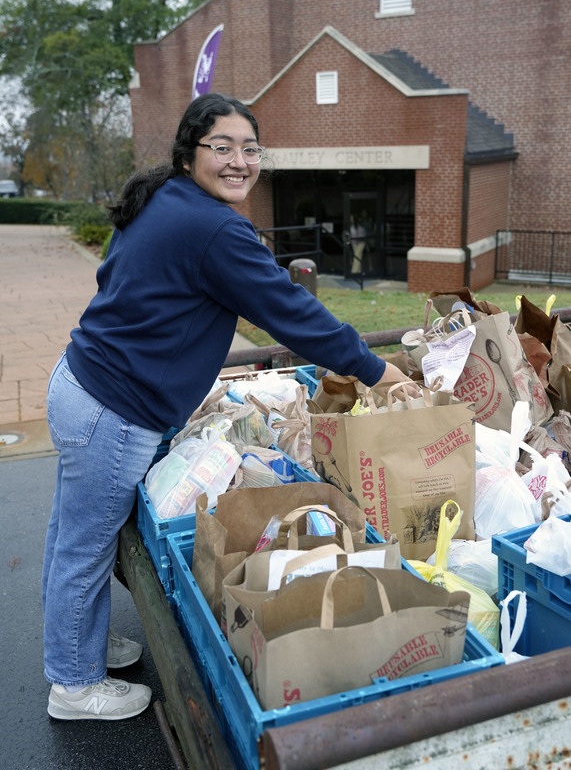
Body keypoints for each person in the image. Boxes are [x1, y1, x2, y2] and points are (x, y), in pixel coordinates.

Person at [42, 92, 420, 722]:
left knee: (75, 536)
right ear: (191, 154)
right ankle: (73, 684)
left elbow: (114, 278)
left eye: (250, 149)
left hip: (82, 386)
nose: (239, 161)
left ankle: (79, 644)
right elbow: (293, 313)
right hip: (113, 409)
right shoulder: (213, 226)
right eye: (222, 147)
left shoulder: (167, 198)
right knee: (83, 547)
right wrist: (377, 370)